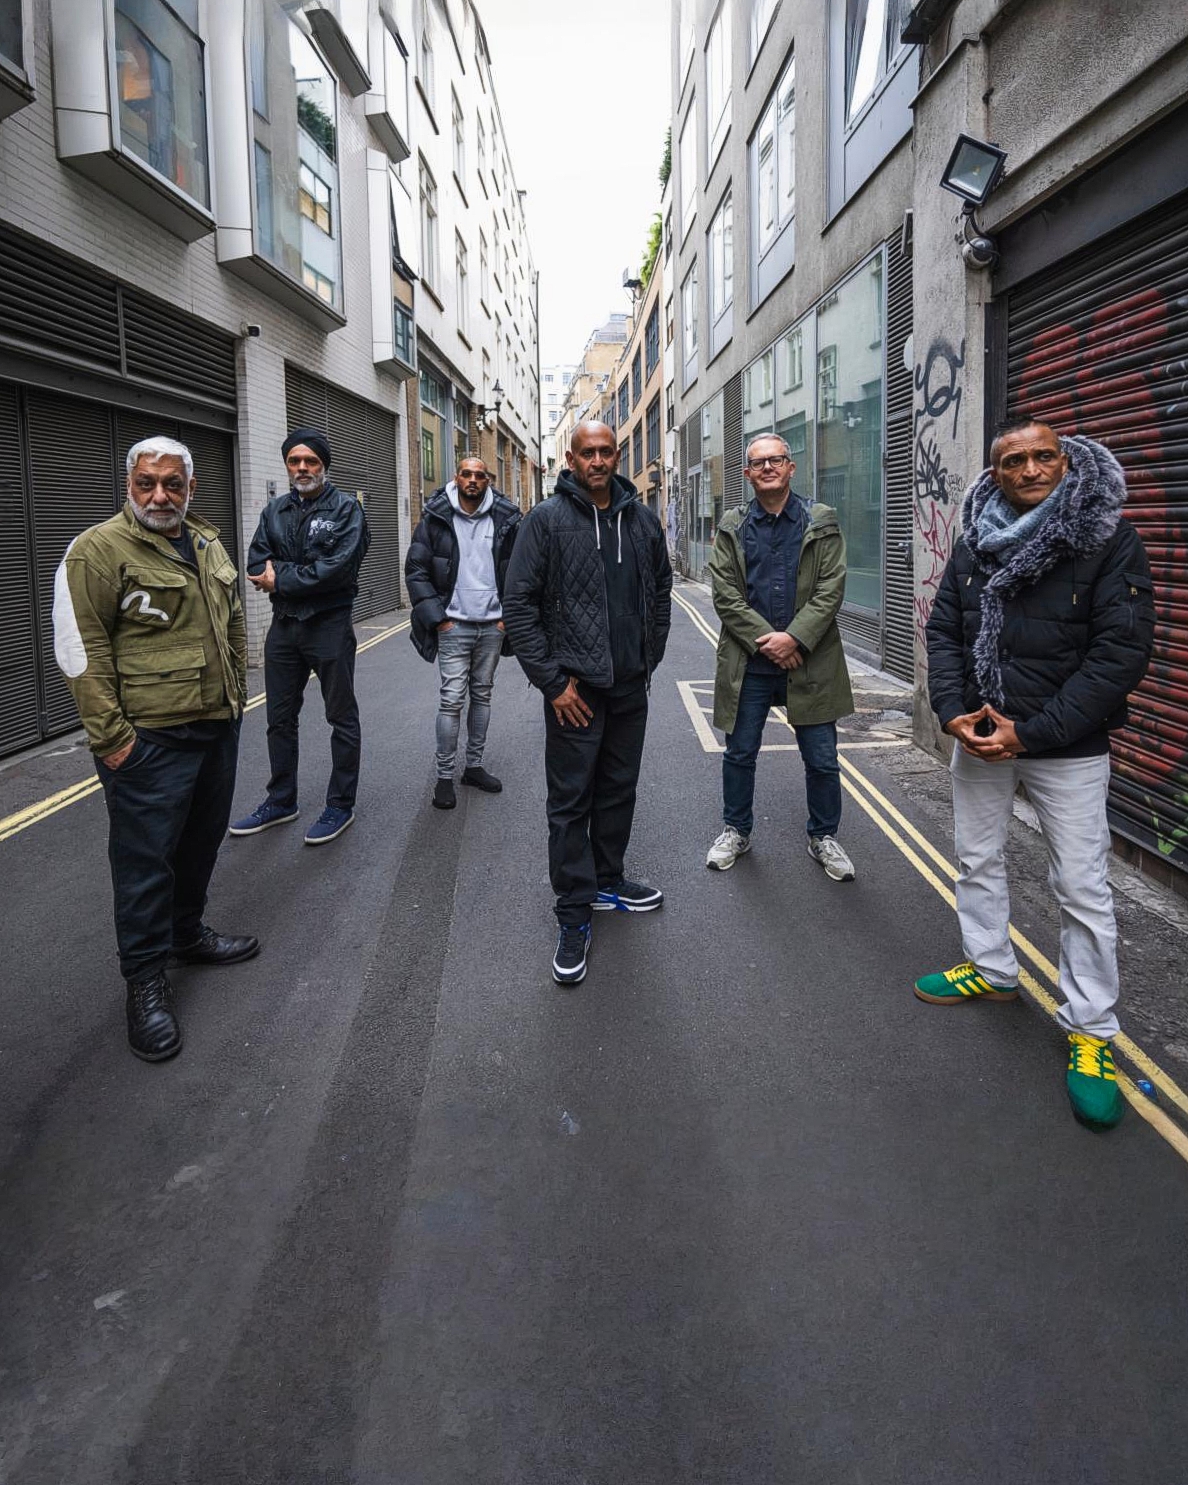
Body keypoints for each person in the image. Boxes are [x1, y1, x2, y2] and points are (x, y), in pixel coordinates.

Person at [917, 418, 1155, 1128]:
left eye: (1042, 456)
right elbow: (944, 631)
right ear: (993, 473)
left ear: (1066, 461)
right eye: (1013, 461)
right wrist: (953, 712)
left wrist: (1034, 731)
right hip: (980, 734)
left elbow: (1120, 655)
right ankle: (990, 967)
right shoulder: (974, 542)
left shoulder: (1106, 538)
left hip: (1067, 747)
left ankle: (1092, 1030)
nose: (1029, 470)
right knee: (976, 859)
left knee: (1081, 886)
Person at [52, 436, 256, 1063]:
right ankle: (144, 983)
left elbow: (232, 620)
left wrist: (237, 698)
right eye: (147, 483)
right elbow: (80, 652)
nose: (159, 495)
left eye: (172, 484)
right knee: (144, 867)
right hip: (149, 743)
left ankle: (186, 935)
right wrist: (114, 743)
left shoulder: (207, 542)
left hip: (215, 729)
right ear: (129, 484)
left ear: (191, 487)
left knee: (199, 846)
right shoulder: (97, 550)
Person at [502, 420, 672, 985]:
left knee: (619, 790)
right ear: (571, 460)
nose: (598, 460)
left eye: (606, 451)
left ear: (616, 455)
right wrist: (553, 684)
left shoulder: (641, 520)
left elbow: (661, 590)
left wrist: (649, 657)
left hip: (630, 686)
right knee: (571, 802)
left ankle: (607, 880)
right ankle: (573, 911)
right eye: (587, 453)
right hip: (575, 692)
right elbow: (518, 605)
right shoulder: (546, 521)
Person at [705, 433, 855, 881]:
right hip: (749, 662)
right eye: (758, 462)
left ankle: (823, 836)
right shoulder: (732, 526)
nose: (767, 467)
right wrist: (770, 642)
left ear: (791, 467)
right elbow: (725, 595)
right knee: (739, 754)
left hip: (809, 660)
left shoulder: (820, 520)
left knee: (822, 758)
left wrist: (795, 639)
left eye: (776, 460)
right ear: (747, 474)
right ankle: (736, 830)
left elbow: (831, 588)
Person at [230, 429, 370, 845]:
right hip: (285, 627)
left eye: (311, 461)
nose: (303, 468)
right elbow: (257, 563)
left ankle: (340, 804)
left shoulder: (346, 509)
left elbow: (338, 569)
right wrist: (294, 577)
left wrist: (283, 577)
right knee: (278, 719)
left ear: (324, 465)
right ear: (287, 465)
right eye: (295, 461)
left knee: (340, 717)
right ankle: (281, 800)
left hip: (329, 625)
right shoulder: (274, 511)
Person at [404, 455, 521, 810]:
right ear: (456, 478)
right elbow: (416, 570)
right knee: (452, 699)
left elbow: (521, 571)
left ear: (488, 480)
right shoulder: (436, 517)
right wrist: (438, 619)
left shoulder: (506, 518)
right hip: (452, 625)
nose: (472, 480)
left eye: (479, 475)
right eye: (466, 474)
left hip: (493, 625)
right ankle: (444, 777)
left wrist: (506, 618)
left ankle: (473, 766)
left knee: (482, 695)